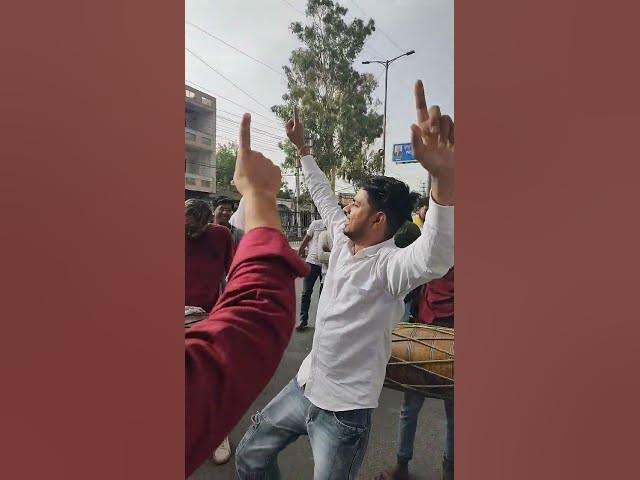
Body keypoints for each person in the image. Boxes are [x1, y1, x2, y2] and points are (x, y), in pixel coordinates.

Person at [235, 79, 454, 480]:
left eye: (356, 204)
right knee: (250, 456)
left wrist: (442, 180)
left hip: (344, 415)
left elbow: (435, 255)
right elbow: (321, 193)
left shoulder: (389, 268)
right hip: (304, 385)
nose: (346, 208)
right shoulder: (341, 235)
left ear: (378, 220)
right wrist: (303, 149)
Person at [185, 113, 309, 477]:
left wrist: (224, 303)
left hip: (206, 313)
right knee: (212, 378)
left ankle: (217, 433)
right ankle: (215, 430)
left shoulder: (221, 236)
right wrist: (259, 196)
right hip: (204, 317)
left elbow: (233, 272)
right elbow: (259, 307)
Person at [374, 266, 455, 480]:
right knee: (415, 410)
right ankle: (409, 466)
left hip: (444, 339)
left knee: (425, 412)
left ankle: (446, 470)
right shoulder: (435, 258)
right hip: (426, 333)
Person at [185, 199, 233, 313]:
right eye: (188, 227)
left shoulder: (221, 235)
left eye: (197, 228)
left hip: (209, 308)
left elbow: (231, 271)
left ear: (209, 220)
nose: (191, 233)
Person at [295, 216, 327, 330]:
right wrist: (297, 259)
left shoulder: (335, 226)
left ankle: (321, 322)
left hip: (326, 266)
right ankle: (303, 320)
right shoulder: (316, 224)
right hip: (312, 263)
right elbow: (305, 241)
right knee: (306, 292)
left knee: (324, 295)